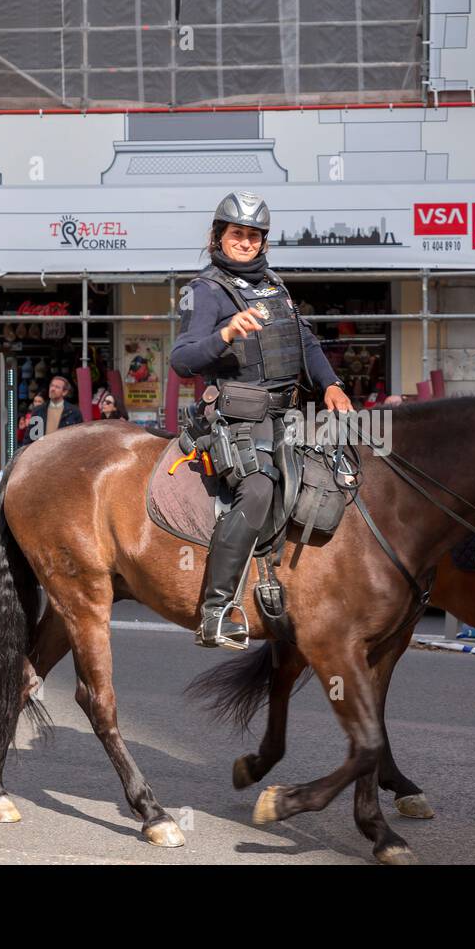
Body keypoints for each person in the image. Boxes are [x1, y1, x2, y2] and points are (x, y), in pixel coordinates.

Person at [171, 189, 352, 649]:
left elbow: (305, 343)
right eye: (238, 234)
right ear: (219, 236)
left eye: (254, 236)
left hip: (286, 413)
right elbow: (182, 358)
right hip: (237, 417)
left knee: (338, 471)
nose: (246, 242)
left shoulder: (274, 286)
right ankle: (216, 611)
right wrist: (226, 333)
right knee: (257, 488)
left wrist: (330, 384)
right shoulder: (204, 291)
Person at [26, 375, 83, 442]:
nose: (52, 389)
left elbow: (79, 438)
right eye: (52, 386)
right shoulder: (38, 411)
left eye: (57, 387)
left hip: (64, 450)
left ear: (64, 392)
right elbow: (30, 438)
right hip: (43, 450)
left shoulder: (73, 412)